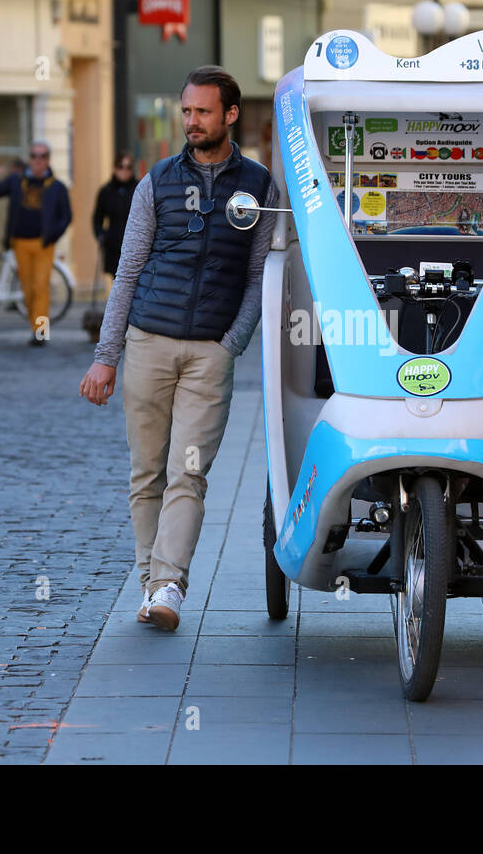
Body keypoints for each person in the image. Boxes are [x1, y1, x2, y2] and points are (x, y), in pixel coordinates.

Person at [78, 65, 277, 631]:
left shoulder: (260, 185)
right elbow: (129, 271)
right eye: (186, 112)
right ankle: (151, 583)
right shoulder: (156, 181)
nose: (191, 122)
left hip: (209, 353)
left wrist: (231, 344)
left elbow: (260, 273)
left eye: (203, 112)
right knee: (147, 473)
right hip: (147, 342)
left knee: (187, 471)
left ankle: (169, 585)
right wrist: (106, 354)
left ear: (230, 115)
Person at [0, 141, 72, 346]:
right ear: (29, 159)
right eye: (33, 156)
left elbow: (66, 216)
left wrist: (52, 236)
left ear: (48, 159)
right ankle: (35, 327)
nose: (37, 160)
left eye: (41, 156)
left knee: (41, 287)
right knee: (28, 289)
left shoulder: (57, 187)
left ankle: (40, 331)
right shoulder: (16, 180)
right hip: (20, 243)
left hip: (43, 244)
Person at [91, 151, 138, 279]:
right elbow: (97, 218)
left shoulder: (140, 189)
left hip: (136, 245)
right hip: (114, 245)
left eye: (128, 167)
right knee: (118, 282)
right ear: (114, 168)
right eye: (120, 167)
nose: (124, 171)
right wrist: (101, 235)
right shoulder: (106, 191)